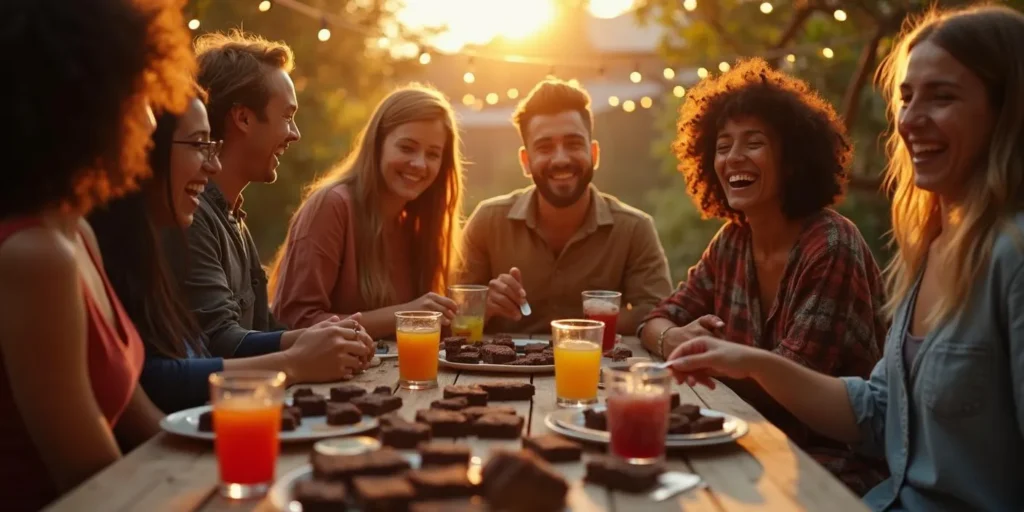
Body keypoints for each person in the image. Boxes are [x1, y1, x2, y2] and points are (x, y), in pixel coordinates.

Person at [665, 5, 1024, 510]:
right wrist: (744, 360)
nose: (910, 120)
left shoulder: (1014, 258)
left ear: (1007, 109)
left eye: (942, 97)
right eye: (906, 97)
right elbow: (879, 415)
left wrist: (740, 367)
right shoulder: (932, 247)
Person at [639, 58, 889, 493]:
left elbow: (789, 385)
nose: (734, 157)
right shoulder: (732, 241)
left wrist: (701, 355)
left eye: (753, 142)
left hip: (832, 461)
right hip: (748, 440)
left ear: (792, 159)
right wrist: (671, 339)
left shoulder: (830, 246)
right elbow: (658, 317)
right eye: (722, 145)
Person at [0, 0, 194, 506]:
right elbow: (88, 473)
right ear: (84, 107)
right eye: (139, 98)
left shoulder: (77, 231)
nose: (153, 121)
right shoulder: (35, 255)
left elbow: (146, 423)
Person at [89, 88, 373, 413]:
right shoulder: (109, 245)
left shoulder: (203, 225)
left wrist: (306, 343)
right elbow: (159, 377)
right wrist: (294, 362)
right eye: (199, 145)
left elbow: (201, 353)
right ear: (143, 151)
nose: (213, 165)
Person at [164, 30, 365, 362]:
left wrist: (329, 335)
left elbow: (264, 328)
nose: (295, 134)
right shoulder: (192, 215)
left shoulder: (232, 216)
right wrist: (305, 347)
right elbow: (219, 341)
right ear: (243, 118)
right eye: (287, 116)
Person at [460, 79, 673, 335]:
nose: (560, 159)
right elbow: (451, 318)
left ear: (594, 155)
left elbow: (656, 316)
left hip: (597, 371)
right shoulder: (487, 220)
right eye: (545, 147)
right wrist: (485, 307)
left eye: (573, 144)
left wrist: (601, 323)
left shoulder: (635, 229)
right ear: (526, 162)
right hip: (499, 373)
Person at [269, 85, 464, 338]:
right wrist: (404, 317)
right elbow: (295, 321)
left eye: (433, 154)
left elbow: (428, 333)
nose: (419, 164)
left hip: (390, 376)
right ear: (377, 144)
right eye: (407, 148)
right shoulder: (332, 206)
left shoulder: (416, 225)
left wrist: (482, 308)